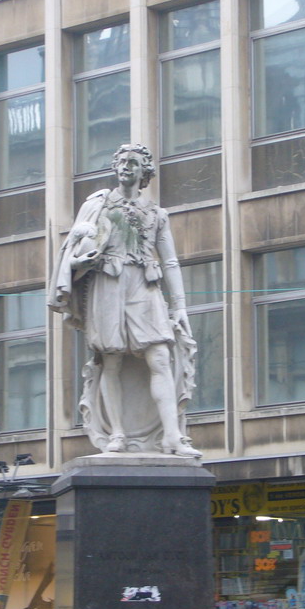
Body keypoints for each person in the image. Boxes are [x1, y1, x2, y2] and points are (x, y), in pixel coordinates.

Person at [50, 142, 201, 458]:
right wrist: (77, 265)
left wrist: (181, 305)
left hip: (144, 285)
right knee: (112, 359)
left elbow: (170, 261)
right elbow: (70, 251)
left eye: (132, 162)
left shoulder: (157, 214)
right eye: (121, 161)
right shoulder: (98, 206)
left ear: (145, 171)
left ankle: (172, 436)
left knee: (159, 356)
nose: (125, 167)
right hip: (107, 284)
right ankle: (116, 434)